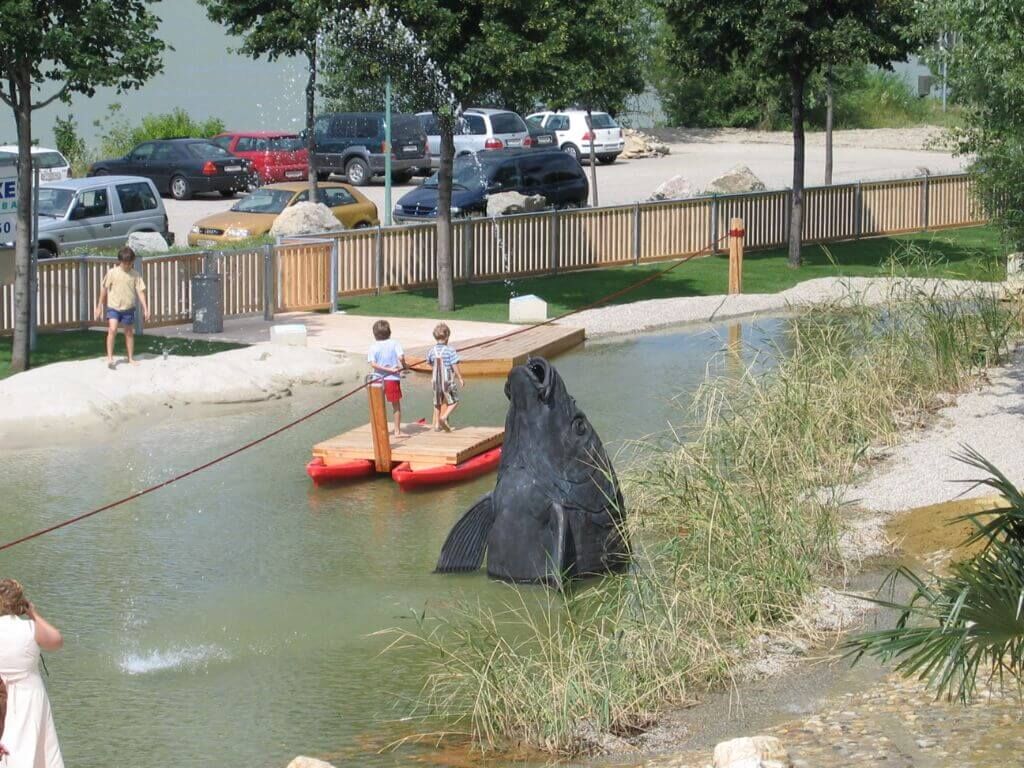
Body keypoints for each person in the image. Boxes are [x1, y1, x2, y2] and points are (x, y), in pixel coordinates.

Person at [0, 579, 65, 768]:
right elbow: (56, 641)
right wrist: (33, 613)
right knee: (32, 750)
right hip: (29, 695)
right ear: (21, 603)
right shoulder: (30, 628)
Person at [94, 246, 150, 370]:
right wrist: (99, 306)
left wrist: (146, 308)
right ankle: (110, 357)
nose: (128, 265)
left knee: (129, 333)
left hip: (128, 308)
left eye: (130, 263)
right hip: (114, 307)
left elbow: (141, 292)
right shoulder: (112, 273)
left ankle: (130, 357)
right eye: (126, 263)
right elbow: (104, 289)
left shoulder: (135, 275)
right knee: (112, 329)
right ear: (120, 261)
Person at [367, 319, 406, 436]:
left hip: (377, 379)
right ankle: (397, 431)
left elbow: (373, 364)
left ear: (374, 334)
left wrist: (385, 369)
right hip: (392, 379)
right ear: (389, 332)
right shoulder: (395, 343)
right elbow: (401, 357)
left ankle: (379, 431)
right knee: (396, 405)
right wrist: (403, 367)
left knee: (378, 406)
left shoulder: (373, 346)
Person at [427, 323, 465, 432]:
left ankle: (437, 425)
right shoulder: (450, 350)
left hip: (435, 381)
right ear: (447, 337)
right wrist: (460, 378)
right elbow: (454, 365)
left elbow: (429, 362)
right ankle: (444, 417)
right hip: (447, 380)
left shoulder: (432, 350)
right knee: (454, 401)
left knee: (437, 402)